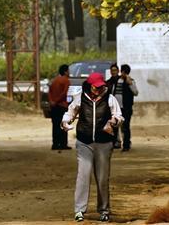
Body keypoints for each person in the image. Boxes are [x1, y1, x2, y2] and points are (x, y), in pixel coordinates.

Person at [62, 72, 123, 223]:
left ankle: (104, 210)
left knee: (102, 178)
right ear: (89, 86)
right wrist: (65, 122)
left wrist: (113, 122)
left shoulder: (110, 98)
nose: (99, 90)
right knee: (83, 175)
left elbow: (119, 116)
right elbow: (70, 112)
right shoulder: (80, 98)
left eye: (101, 87)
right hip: (84, 143)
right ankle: (79, 210)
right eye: (96, 87)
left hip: (104, 144)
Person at [113, 64, 138, 151]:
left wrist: (130, 83)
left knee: (125, 127)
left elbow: (135, 92)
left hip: (126, 108)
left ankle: (126, 144)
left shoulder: (131, 81)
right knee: (115, 126)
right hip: (116, 108)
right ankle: (116, 143)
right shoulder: (117, 80)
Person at [49, 64, 71, 150]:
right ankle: (63, 144)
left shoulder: (54, 80)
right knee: (63, 125)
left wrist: (52, 101)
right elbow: (64, 93)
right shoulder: (66, 81)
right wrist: (57, 101)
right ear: (65, 72)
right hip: (62, 105)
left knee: (55, 125)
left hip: (54, 107)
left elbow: (49, 91)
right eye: (68, 71)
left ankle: (55, 144)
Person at [105, 64, 122, 148]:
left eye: (115, 70)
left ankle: (125, 143)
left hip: (122, 106)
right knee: (113, 123)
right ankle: (114, 141)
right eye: (112, 70)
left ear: (118, 71)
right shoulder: (108, 82)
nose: (113, 72)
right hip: (111, 107)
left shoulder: (122, 81)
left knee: (123, 125)